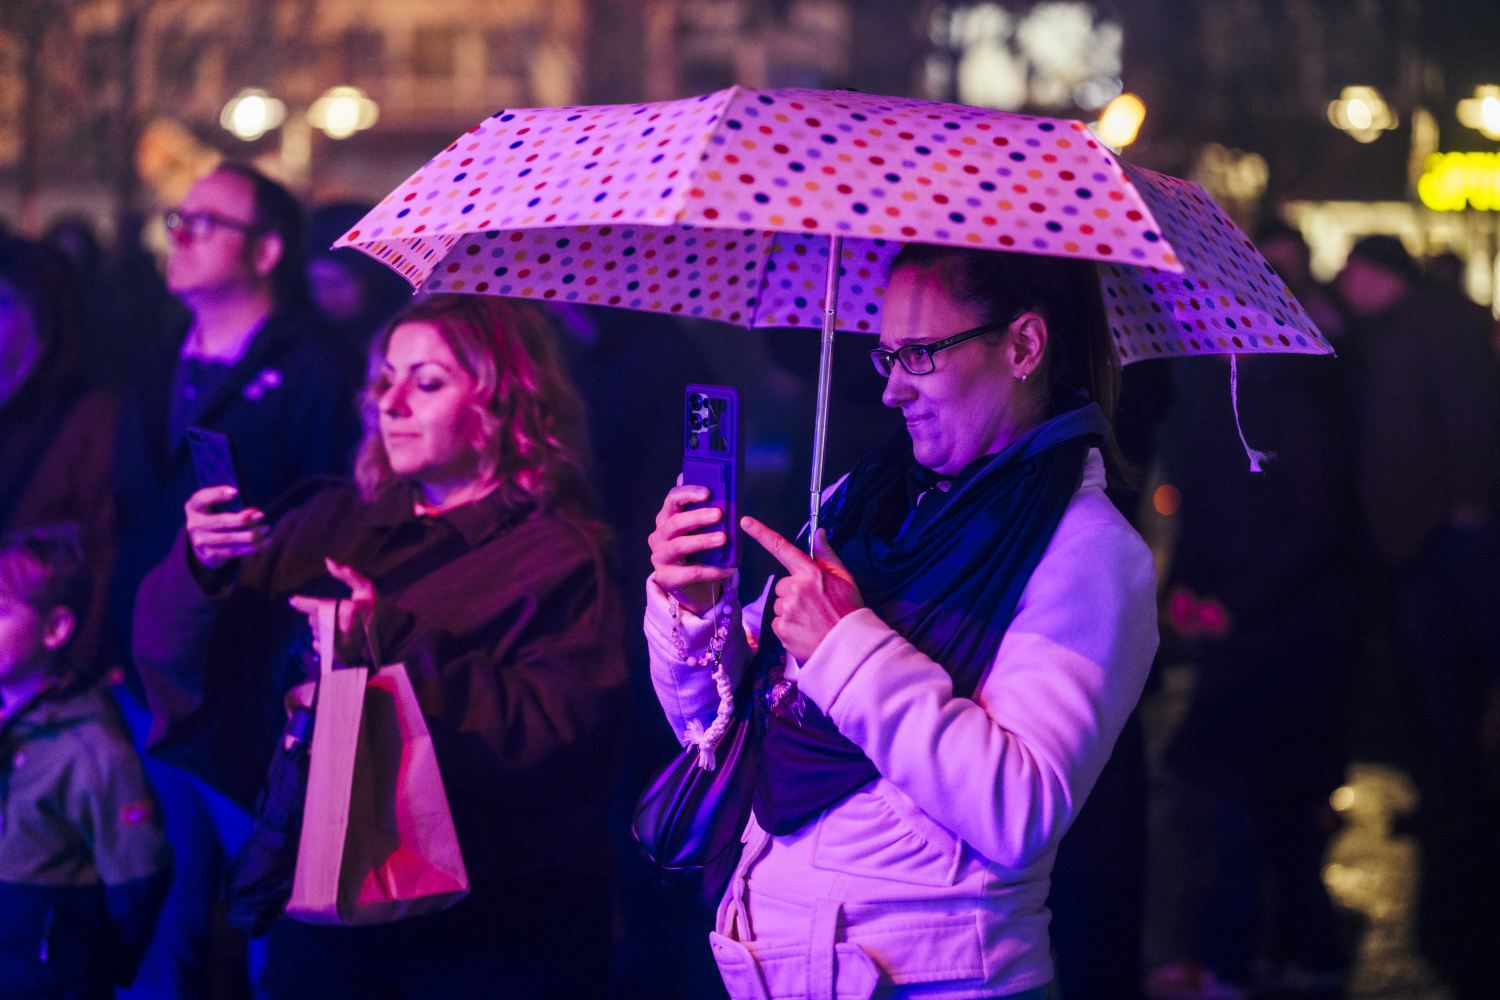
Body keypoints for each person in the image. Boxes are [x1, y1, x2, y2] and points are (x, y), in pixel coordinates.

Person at [646, 243, 1159, 998]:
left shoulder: (1089, 552)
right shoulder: (867, 500)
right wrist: (694, 612)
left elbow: (1019, 810)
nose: (892, 390)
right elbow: (713, 728)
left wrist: (846, 646)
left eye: (919, 355)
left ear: (1023, 346)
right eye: (887, 357)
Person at [133, 294, 629, 998]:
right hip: (327, 901)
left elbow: (556, 742)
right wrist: (202, 566)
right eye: (385, 379)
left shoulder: (558, 556)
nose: (390, 403)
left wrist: (390, 643)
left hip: (490, 925)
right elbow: (186, 663)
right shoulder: (330, 518)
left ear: (503, 401)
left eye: (427, 383)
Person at [108, 161, 362, 999]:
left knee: (269, 893)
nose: (179, 235)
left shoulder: (316, 369)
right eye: (177, 219)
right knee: (158, 893)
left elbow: (337, 512)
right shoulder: (155, 364)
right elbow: (128, 512)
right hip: (149, 673)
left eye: (204, 222)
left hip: (255, 684)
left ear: (266, 250)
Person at [1335, 235, 1500, 998]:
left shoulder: (1436, 327)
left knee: (1453, 673)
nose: (1347, 286)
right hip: (1420, 534)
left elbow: (1468, 419)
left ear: (1379, 274)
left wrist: (1466, 504)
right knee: (1439, 678)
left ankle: (1462, 805)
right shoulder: (1396, 329)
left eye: (1354, 274)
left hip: (1441, 535)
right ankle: (1451, 797)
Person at [0, 526, 170, 999]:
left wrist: (92, 961)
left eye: (0, 612)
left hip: (49, 978)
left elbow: (139, 876)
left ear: (55, 629)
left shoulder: (92, 750)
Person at [0, 237, 119, 664]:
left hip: (42, 668)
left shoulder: (91, 418)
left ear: (44, 320)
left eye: (2, 303)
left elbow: (104, 560)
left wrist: (70, 670)